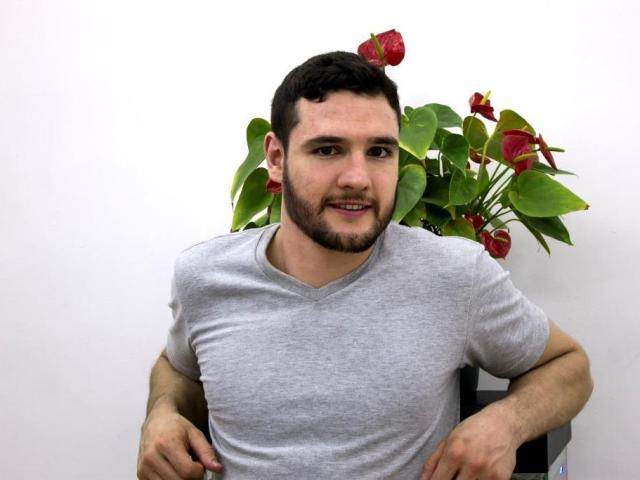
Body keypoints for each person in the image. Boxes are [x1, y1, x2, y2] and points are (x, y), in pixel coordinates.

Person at [137, 51, 593, 480]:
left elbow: (568, 366)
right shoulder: (204, 276)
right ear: (276, 158)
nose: (357, 178)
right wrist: (162, 412)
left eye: (379, 151)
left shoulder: (455, 275)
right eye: (327, 150)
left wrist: (505, 423)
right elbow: (178, 367)